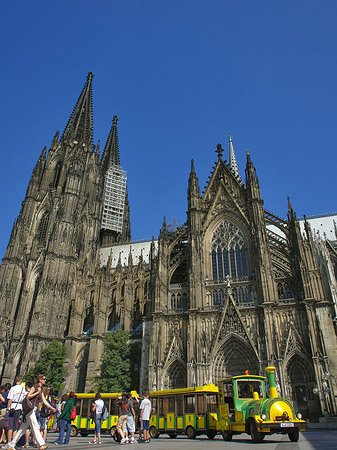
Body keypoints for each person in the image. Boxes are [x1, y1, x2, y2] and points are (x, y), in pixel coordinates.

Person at [7, 374, 56, 450]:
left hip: (34, 409)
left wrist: (51, 408)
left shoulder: (41, 389)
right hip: (30, 409)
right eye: (44, 379)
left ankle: (11, 445)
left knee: (22, 428)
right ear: (40, 379)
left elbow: (44, 400)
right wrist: (37, 392)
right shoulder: (35, 386)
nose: (45, 380)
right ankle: (41, 444)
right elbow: (28, 396)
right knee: (35, 426)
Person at [6, 377, 26, 444]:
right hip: (20, 407)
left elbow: (10, 399)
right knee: (15, 426)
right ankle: (13, 442)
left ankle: (9, 442)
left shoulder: (13, 388)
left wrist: (7, 408)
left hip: (13, 407)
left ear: (15, 381)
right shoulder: (23, 389)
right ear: (21, 381)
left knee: (10, 426)